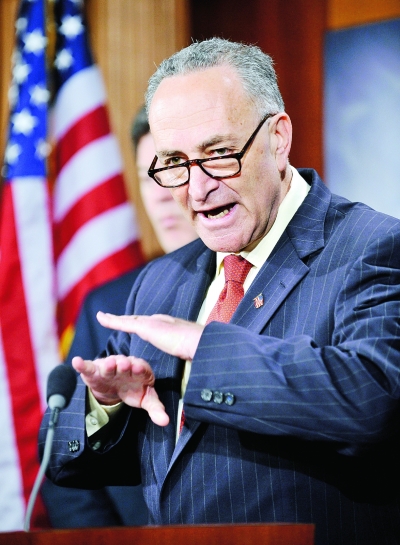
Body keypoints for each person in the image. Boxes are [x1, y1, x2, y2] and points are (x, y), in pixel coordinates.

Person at [40, 38, 400, 544]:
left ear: (278, 138)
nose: (196, 188)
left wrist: (204, 346)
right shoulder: (163, 280)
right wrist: (105, 405)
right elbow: (62, 459)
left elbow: (373, 401)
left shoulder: (372, 246)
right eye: (174, 161)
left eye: (218, 153)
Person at [40, 106, 197, 527]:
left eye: (173, 172)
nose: (160, 194)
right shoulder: (110, 304)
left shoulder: (266, 286)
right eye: (148, 177)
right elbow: (65, 466)